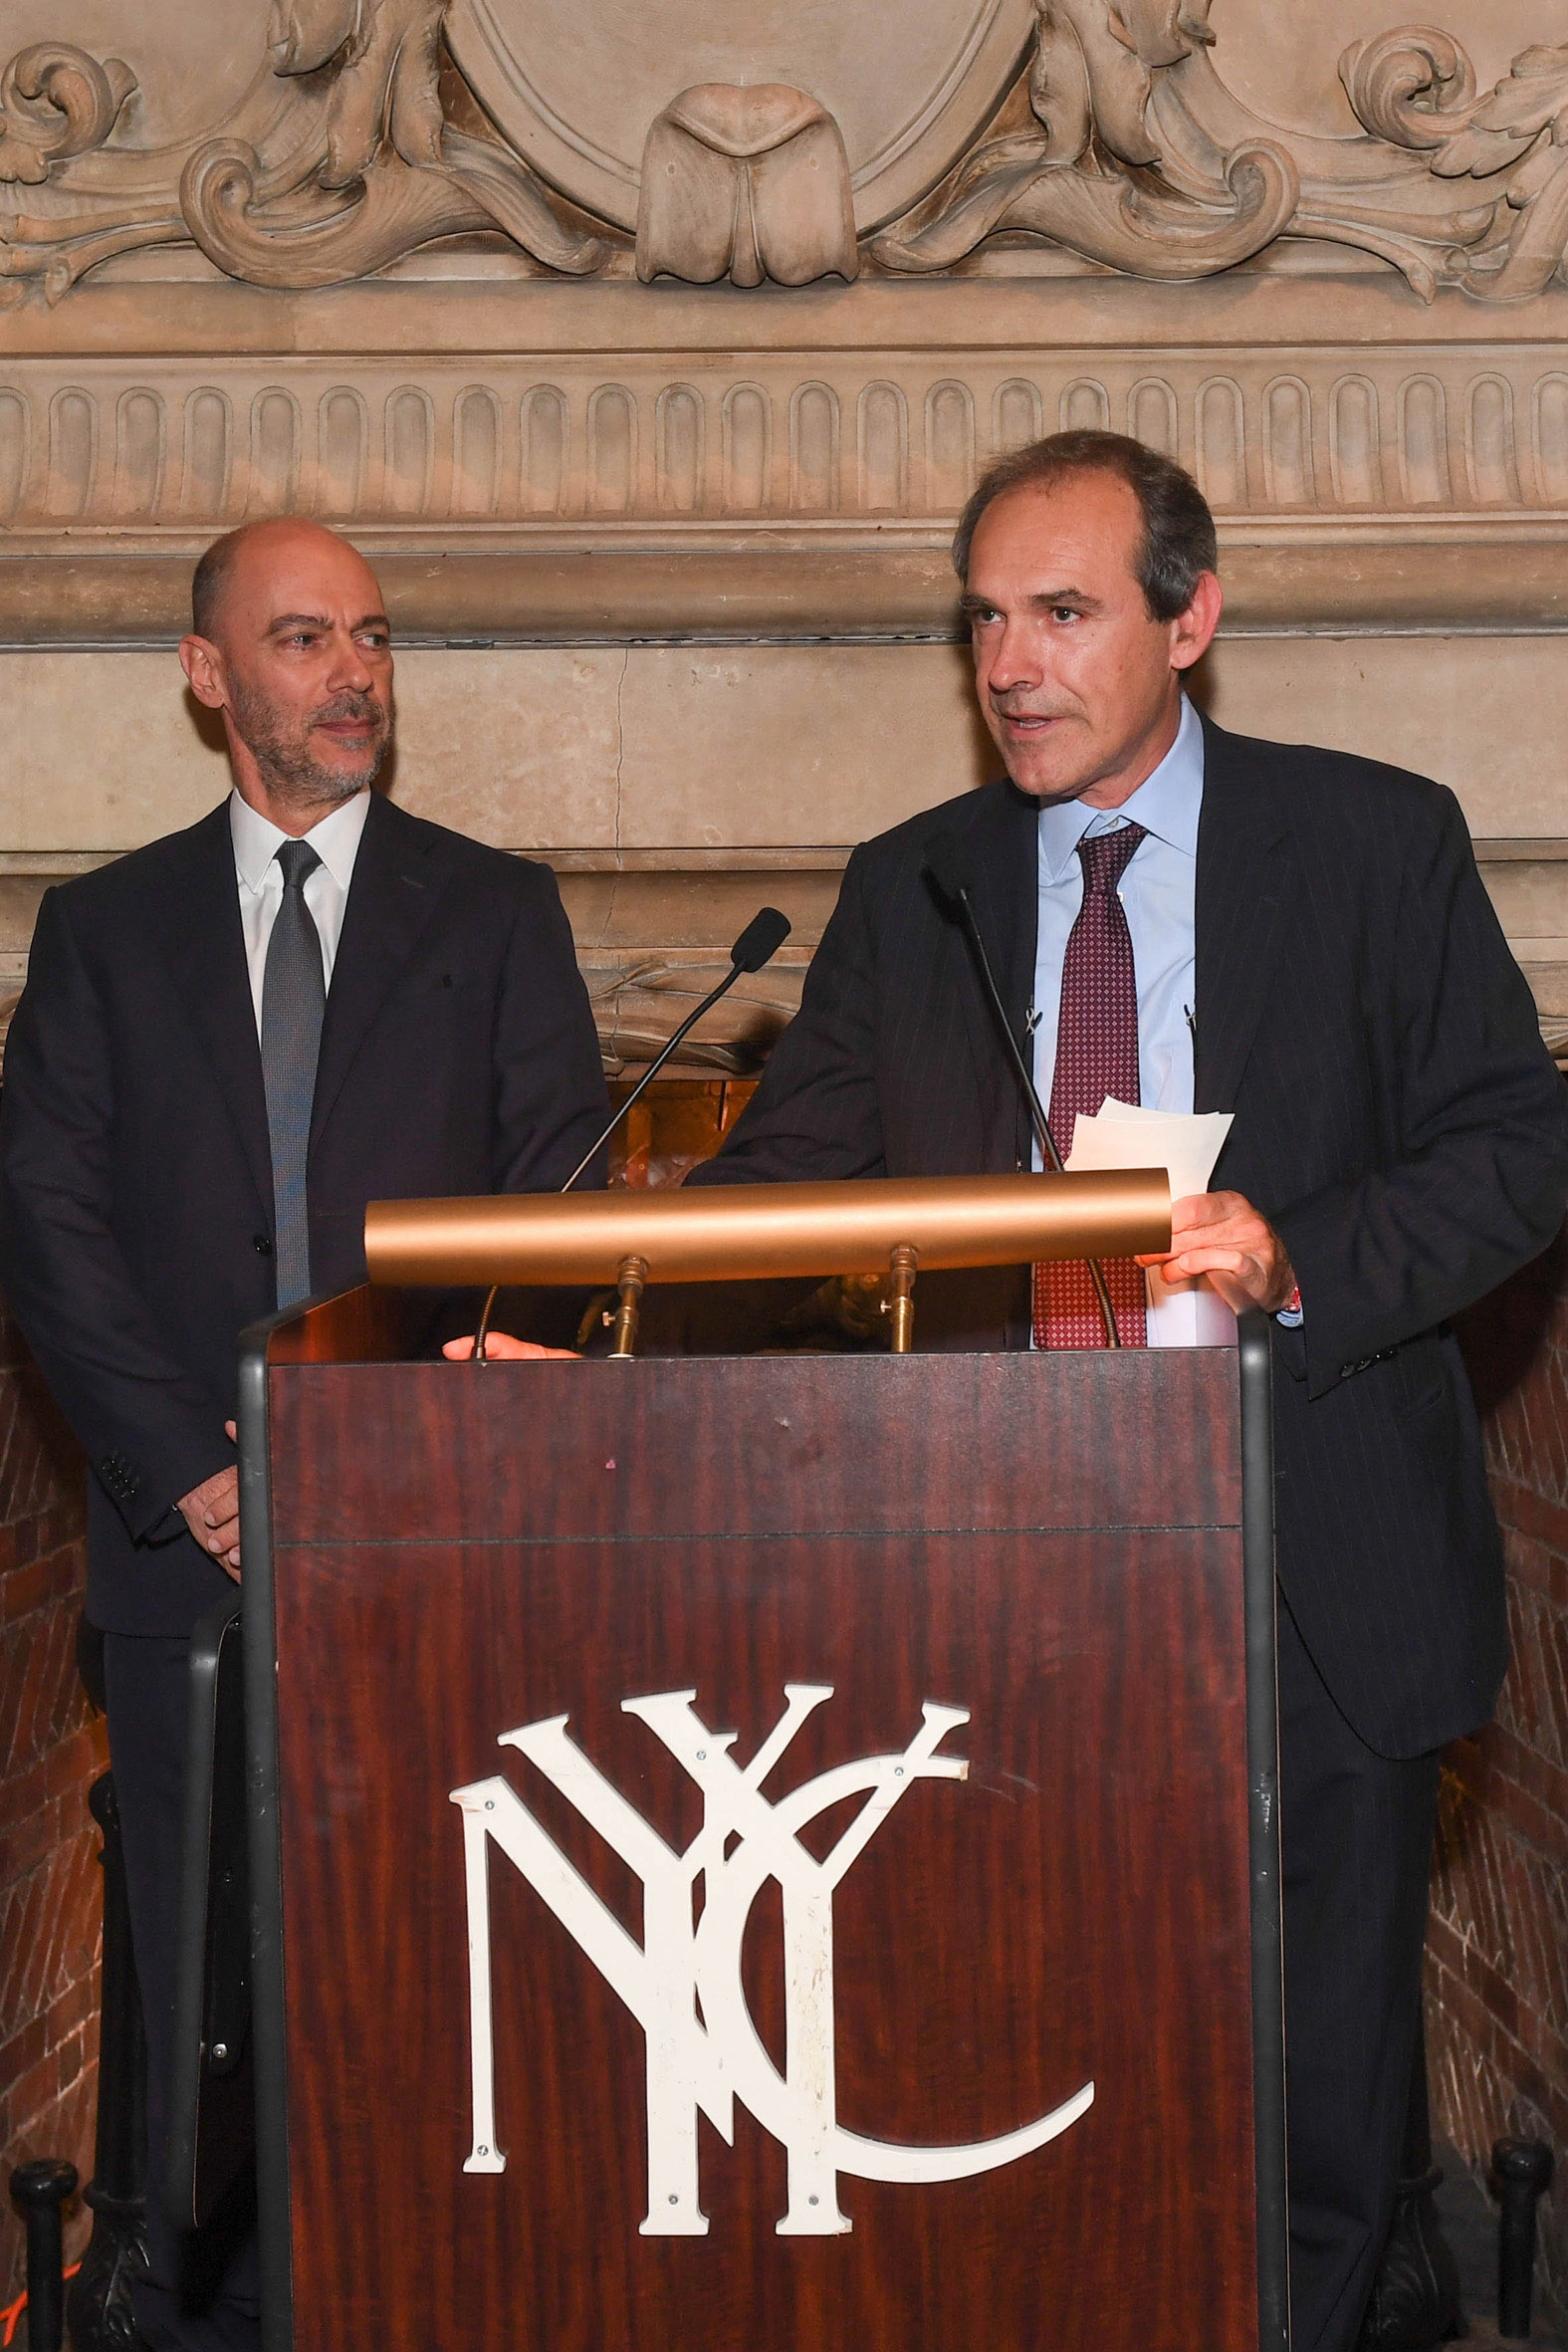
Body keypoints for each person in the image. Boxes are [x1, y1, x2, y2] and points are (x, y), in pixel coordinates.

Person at [677, 432, 1568, 2350]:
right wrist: (573, 1323)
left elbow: (1517, 1147)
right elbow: (776, 1194)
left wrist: (1297, 1253)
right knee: (1030, 2066)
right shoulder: (911, 886)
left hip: (1305, 1552)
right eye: (985, 619)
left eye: (1062, 613)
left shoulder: (1373, 843)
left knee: (1316, 2117)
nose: (1009, 663)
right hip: (997, 1575)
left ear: (1190, 618)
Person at [0, 517, 610, 2350]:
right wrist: (196, 1471)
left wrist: (419, 1455)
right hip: (182, 1564)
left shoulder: (496, 915)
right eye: (303, 639)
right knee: (202, 1995)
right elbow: (48, 1229)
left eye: (374, 636)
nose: (355, 673)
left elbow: (561, 1207)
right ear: (209, 676)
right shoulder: (101, 934)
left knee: (433, 1973)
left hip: (436, 1551)